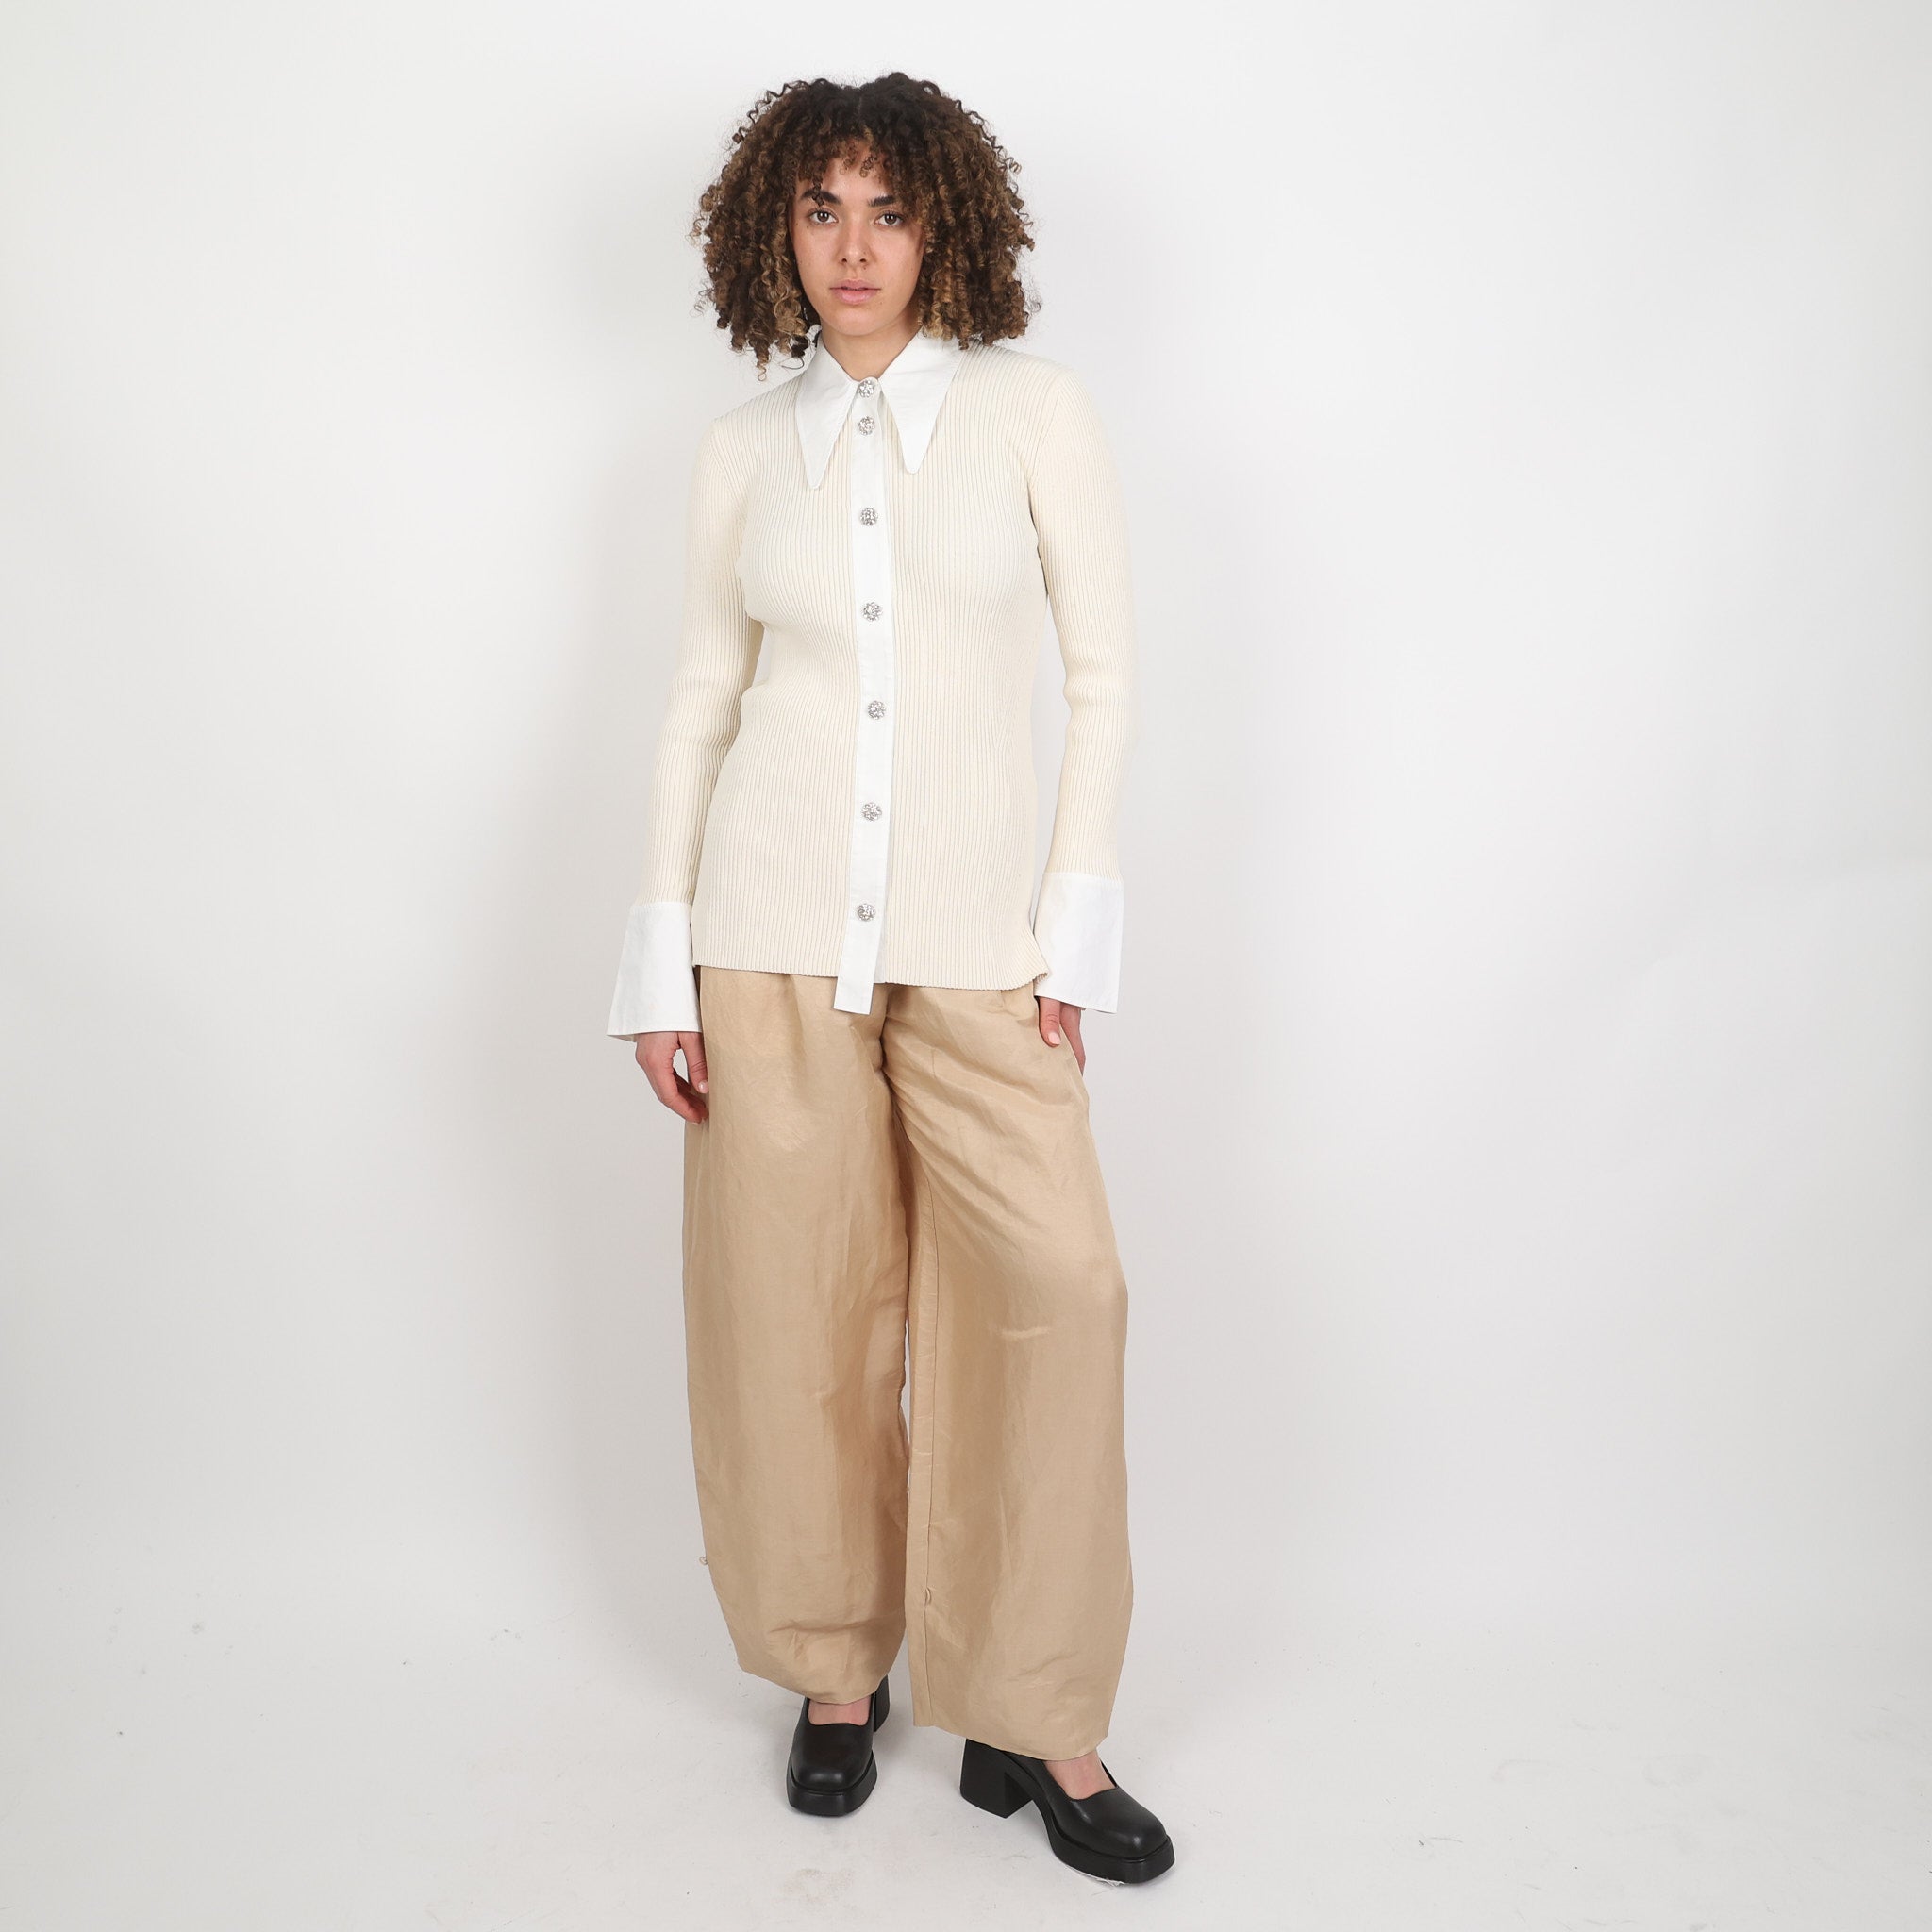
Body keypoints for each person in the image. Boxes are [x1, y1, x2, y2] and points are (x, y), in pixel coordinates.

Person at [605, 71, 1174, 1887]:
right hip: (765, 939)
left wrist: (1072, 928)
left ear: (946, 226)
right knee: (791, 1320)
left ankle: (1034, 1708)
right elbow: (703, 701)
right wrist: (661, 960)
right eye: (820, 209)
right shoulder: (738, 451)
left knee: (1058, 1292)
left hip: (979, 949)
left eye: (888, 209)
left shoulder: (1032, 414)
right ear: (773, 229)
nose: (853, 248)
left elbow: (1104, 675)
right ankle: (835, 1676)